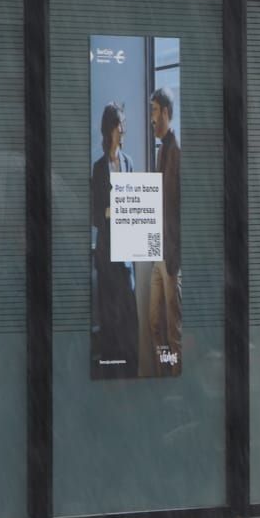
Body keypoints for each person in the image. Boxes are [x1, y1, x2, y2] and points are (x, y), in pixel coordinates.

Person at [90, 102, 139, 378]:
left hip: (127, 253)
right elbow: (96, 215)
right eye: (119, 124)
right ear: (109, 129)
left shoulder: (129, 163)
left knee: (129, 314)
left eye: (123, 124)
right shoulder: (98, 169)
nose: (123, 129)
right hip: (107, 252)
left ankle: (130, 367)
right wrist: (114, 209)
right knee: (109, 315)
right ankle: (111, 370)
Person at [148, 88, 182, 376]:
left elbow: (182, 208)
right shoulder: (161, 150)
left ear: (166, 113)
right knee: (154, 323)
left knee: (174, 331)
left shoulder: (177, 152)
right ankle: (164, 375)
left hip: (171, 256)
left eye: (154, 111)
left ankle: (175, 382)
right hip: (157, 251)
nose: (151, 119)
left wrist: (175, 256)